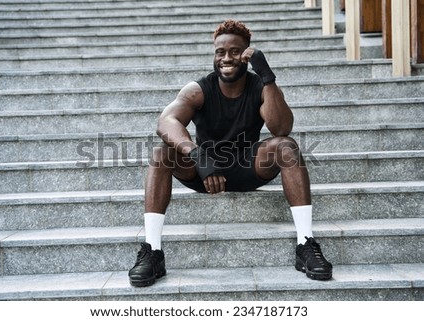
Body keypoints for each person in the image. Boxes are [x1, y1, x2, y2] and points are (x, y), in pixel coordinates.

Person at [128, 19, 332, 287]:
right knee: (160, 153)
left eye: (235, 51)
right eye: (220, 52)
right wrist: (197, 155)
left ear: (247, 54)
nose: (226, 58)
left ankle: (306, 244)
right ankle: (153, 252)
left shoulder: (261, 87)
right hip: (204, 171)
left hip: (248, 167)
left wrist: (268, 76)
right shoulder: (198, 90)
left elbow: (281, 127)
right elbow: (165, 122)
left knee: (287, 147)